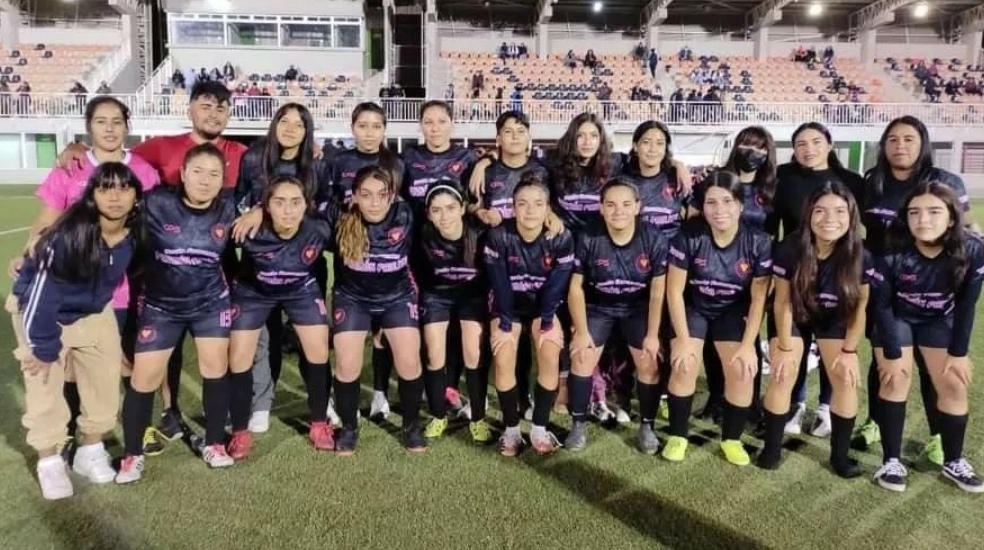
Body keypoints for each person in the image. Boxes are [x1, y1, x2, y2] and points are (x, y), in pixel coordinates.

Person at [56, 80, 248, 450]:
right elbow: (116, 158)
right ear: (190, 107)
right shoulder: (161, 147)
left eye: (221, 108)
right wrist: (77, 147)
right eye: (205, 106)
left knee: (218, 356)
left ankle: (216, 418)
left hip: (216, 268)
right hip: (159, 267)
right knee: (158, 350)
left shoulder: (242, 152)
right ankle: (156, 415)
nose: (213, 114)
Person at [7, 96, 160, 456]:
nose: (109, 129)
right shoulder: (71, 167)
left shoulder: (143, 170)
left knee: (119, 363)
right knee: (71, 368)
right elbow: (46, 222)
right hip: (71, 285)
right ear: (88, 126)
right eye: (101, 121)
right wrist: (33, 251)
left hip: (120, 289)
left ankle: (135, 425)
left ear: (128, 126)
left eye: (117, 121)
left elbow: (147, 226)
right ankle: (76, 435)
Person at [8, 162, 142, 500]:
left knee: (104, 381)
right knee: (44, 385)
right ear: (91, 195)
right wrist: (43, 348)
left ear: (137, 197)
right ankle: (49, 461)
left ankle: (90, 452)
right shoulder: (69, 235)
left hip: (93, 311)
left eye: (124, 188)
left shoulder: (137, 231)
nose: (115, 196)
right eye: (105, 188)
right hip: (40, 312)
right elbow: (41, 294)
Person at [855, 115, 978, 461]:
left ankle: (939, 436)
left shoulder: (943, 180)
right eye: (893, 140)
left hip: (932, 285)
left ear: (923, 144)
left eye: (909, 139)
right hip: (883, 284)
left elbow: (965, 226)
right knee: (886, 358)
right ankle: (875, 422)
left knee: (931, 364)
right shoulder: (873, 182)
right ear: (884, 146)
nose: (900, 146)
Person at [116, 144, 239, 483]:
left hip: (210, 303)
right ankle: (132, 455)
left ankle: (214, 443)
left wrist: (257, 212)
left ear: (222, 180)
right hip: (161, 306)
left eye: (214, 174)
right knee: (144, 379)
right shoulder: (156, 203)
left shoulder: (229, 207)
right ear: (183, 174)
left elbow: (269, 204)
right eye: (197, 171)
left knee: (215, 369)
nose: (205, 180)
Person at [870, 182, 984, 493]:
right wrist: (892, 353)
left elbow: (966, 304)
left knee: (954, 383)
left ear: (951, 218)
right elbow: (880, 304)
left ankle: (954, 461)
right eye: (914, 212)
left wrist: (958, 353)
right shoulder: (891, 251)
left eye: (934, 211)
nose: (923, 219)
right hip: (897, 317)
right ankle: (891, 461)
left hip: (939, 319)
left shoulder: (973, 249)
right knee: (895, 379)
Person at [231, 102, 333, 433]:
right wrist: (259, 209)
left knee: (310, 337)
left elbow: (323, 208)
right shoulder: (253, 158)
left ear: (307, 131)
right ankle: (261, 402)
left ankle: (321, 401)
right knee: (265, 338)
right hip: (261, 263)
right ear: (274, 125)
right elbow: (239, 202)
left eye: (299, 124)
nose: (290, 128)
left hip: (304, 263)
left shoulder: (316, 163)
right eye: (284, 121)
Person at [757, 182, 870, 478]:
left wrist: (849, 352)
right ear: (809, 215)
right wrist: (782, 348)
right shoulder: (790, 248)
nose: (829, 218)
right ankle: (771, 449)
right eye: (820, 211)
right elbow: (782, 302)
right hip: (793, 314)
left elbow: (860, 309)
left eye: (838, 211)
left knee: (845, 381)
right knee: (783, 374)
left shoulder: (861, 255)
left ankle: (839, 456)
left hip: (834, 318)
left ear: (851, 215)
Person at [663, 170, 772, 465]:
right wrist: (684, 341)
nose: (719, 210)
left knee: (741, 369)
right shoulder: (688, 235)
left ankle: (732, 439)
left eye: (727, 201)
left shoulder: (759, 242)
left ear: (739, 205)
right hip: (695, 307)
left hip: (732, 311)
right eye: (711, 202)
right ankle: (678, 435)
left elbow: (759, 297)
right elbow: (673, 292)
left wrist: (749, 345)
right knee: (684, 364)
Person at [226, 176, 334, 458]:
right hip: (253, 292)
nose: (288, 210)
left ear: (306, 205)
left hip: (301, 289)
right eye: (279, 202)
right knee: (239, 357)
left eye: (295, 202)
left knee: (319, 350)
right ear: (266, 206)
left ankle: (320, 423)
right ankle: (239, 431)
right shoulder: (249, 229)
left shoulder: (319, 229)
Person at [772, 122, 864, 437]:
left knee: (832, 347)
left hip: (837, 276)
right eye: (800, 143)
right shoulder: (783, 177)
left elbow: (864, 229)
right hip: (796, 272)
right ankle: (795, 404)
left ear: (829, 144)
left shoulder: (851, 181)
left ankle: (826, 406)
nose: (808, 148)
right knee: (793, 344)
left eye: (815, 141)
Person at [564, 178, 667, 453]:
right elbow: (574, 288)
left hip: (638, 308)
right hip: (598, 307)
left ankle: (647, 425)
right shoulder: (588, 236)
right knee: (582, 355)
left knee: (649, 359)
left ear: (637, 207)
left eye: (625, 204)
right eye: (610, 204)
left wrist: (654, 335)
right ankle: (578, 425)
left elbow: (658, 292)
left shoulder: (654, 239)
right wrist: (582, 331)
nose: (618, 211)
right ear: (601, 208)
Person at [329, 166, 425, 455]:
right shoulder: (340, 217)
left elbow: (450, 212)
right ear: (354, 196)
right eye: (366, 195)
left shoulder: (407, 215)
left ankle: (411, 426)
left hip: (397, 296)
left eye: (381, 195)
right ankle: (349, 427)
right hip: (352, 298)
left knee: (409, 361)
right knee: (347, 365)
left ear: (392, 196)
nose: (374, 202)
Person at [688, 126, 778, 424]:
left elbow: (772, 235)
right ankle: (716, 398)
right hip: (710, 272)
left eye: (761, 148)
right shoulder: (714, 180)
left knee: (746, 340)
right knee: (713, 342)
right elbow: (692, 220)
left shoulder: (770, 190)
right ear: (736, 146)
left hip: (750, 276)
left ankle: (748, 403)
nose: (753, 153)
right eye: (747, 145)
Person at [484, 173, 574, 456]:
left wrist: (547, 321)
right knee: (503, 356)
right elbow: (499, 283)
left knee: (549, 352)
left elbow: (557, 285)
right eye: (522, 204)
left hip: (541, 308)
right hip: (507, 306)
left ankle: (538, 428)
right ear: (512, 208)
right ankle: (511, 431)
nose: (530, 210)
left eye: (538, 204)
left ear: (548, 209)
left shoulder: (561, 237)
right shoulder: (499, 236)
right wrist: (506, 324)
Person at [326, 102, 405, 421]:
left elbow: (404, 209)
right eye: (363, 125)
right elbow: (329, 202)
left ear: (384, 130)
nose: (369, 132)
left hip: (388, 256)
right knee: (349, 336)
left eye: (376, 126)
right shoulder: (338, 161)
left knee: (382, 335)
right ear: (353, 127)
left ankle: (380, 395)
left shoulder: (396, 163)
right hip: (353, 255)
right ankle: (341, 396)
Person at [401, 101, 478, 417]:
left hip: (457, 247)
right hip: (419, 249)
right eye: (428, 122)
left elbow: (475, 197)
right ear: (421, 126)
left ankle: (452, 385)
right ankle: (428, 383)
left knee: (463, 328)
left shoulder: (467, 158)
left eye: (441, 121)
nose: (435, 127)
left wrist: (485, 163)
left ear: (452, 125)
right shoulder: (409, 158)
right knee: (427, 323)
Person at [413, 181, 492, 442]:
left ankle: (478, 418)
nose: (444, 216)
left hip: (471, 296)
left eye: (450, 208)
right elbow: (418, 272)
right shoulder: (423, 234)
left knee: (473, 350)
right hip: (437, 295)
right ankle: (438, 415)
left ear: (462, 209)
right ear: (428, 213)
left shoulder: (480, 232)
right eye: (436, 210)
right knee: (434, 351)